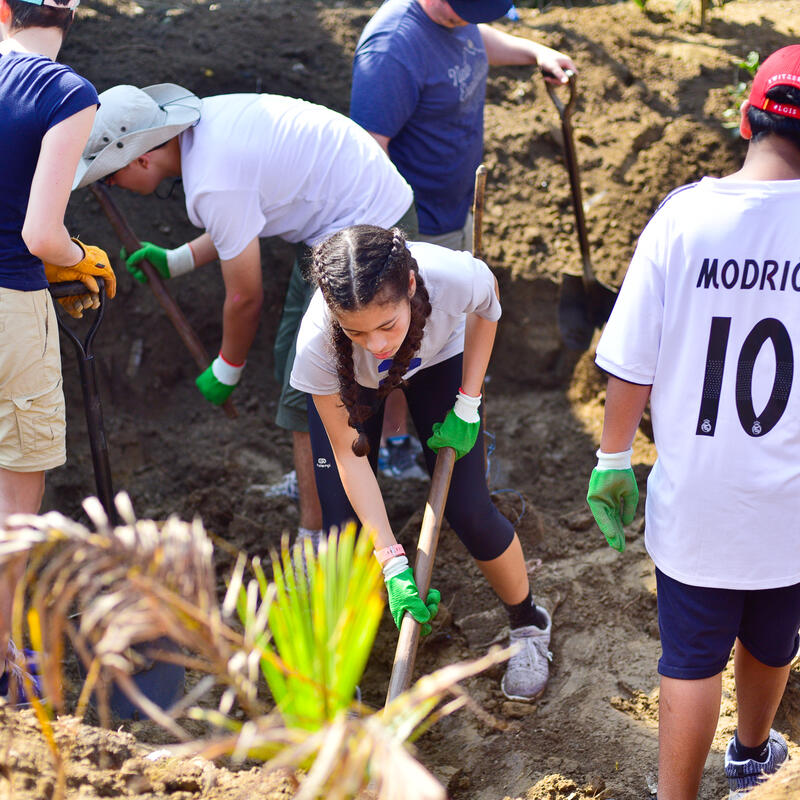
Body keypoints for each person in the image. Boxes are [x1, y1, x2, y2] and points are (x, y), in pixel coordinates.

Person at [586, 45, 800, 800]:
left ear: (748, 118)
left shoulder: (685, 218)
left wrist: (614, 457)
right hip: (792, 503)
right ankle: (750, 760)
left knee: (691, 658)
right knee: (775, 636)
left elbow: (631, 360)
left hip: (698, 497)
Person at [72, 86, 417, 547]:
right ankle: (312, 480)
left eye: (109, 176)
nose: (110, 186)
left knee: (307, 386)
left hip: (366, 235)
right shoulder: (208, 137)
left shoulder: (213, 178)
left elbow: (245, 298)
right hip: (342, 217)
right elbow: (239, 216)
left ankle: (313, 536)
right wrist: (177, 260)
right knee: (291, 360)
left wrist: (226, 368)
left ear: (140, 159)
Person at [291, 224, 552, 699]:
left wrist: (469, 401)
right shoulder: (317, 348)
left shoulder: (451, 276)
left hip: (439, 358)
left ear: (410, 286)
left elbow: (488, 304)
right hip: (352, 384)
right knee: (343, 534)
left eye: (386, 324)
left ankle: (529, 625)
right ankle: (342, 681)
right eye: (357, 330)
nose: (376, 344)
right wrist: (392, 560)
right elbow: (352, 463)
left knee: (468, 508)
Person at [350, 0, 576, 474]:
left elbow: (473, 39)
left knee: (439, 331)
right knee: (401, 338)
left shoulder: (459, 19)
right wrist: (398, 242)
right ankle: (394, 444)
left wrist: (534, 52)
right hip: (414, 226)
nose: (471, 21)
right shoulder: (393, 48)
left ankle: (448, 415)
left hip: (455, 212)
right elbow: (369, 152)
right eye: (462, 11)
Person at [0, 0, 115, 697]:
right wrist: (79, 256)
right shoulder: (64, 92)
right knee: (14, 498)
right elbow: (40, 236)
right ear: (71, 11)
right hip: (10, 309)